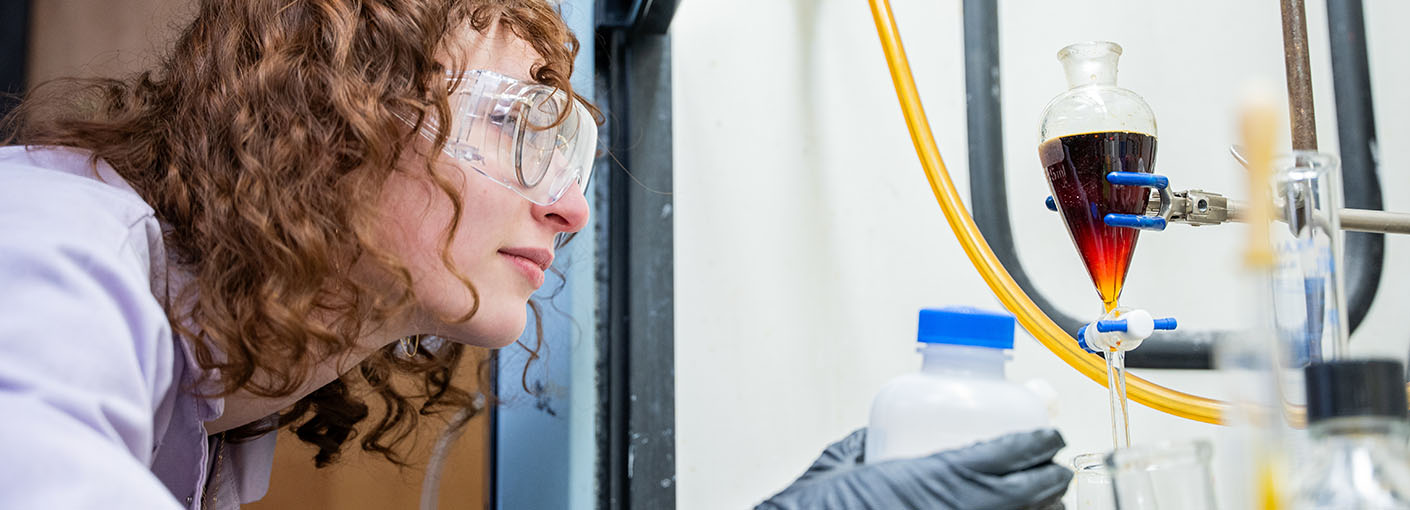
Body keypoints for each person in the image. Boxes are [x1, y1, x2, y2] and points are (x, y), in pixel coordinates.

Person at [0, 1, 1071, 509]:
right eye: (518, 130)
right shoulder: (44, 251)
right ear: (334, 127)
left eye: (570, 152)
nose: (568, 208)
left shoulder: (226, 426)